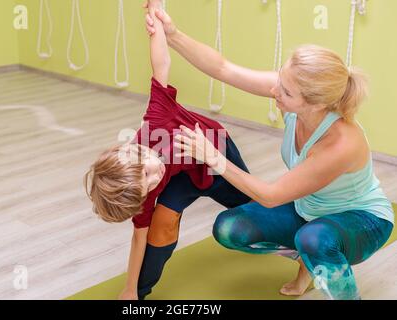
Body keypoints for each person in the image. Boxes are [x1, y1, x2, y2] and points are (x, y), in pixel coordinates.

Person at [146, 6, 395, 299]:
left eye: (286, 92)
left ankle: (336, 283)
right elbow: (223, 68)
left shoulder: (341, 143)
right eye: (280, 81)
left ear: (315, 104)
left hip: (363, 220)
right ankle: (309, 261)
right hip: (309, 211)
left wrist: (214, 157)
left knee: (314, 238)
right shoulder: (293, 93)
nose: (276, 92)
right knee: (230, 228)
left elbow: (271, 195)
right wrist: (173, 34)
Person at [84, 0, 253, 300]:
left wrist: (156, 17)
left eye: (146, 171)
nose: (154, 177)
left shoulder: (155, 122)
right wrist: (129, 288)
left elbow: (160, 64)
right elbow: (139, 238)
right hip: (183, 177)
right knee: (158, 226)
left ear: (133, 151)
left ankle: (299, 250)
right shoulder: (143, 187)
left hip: (216, 159)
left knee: (254, 212)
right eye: (148, 184)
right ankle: (140, 293)